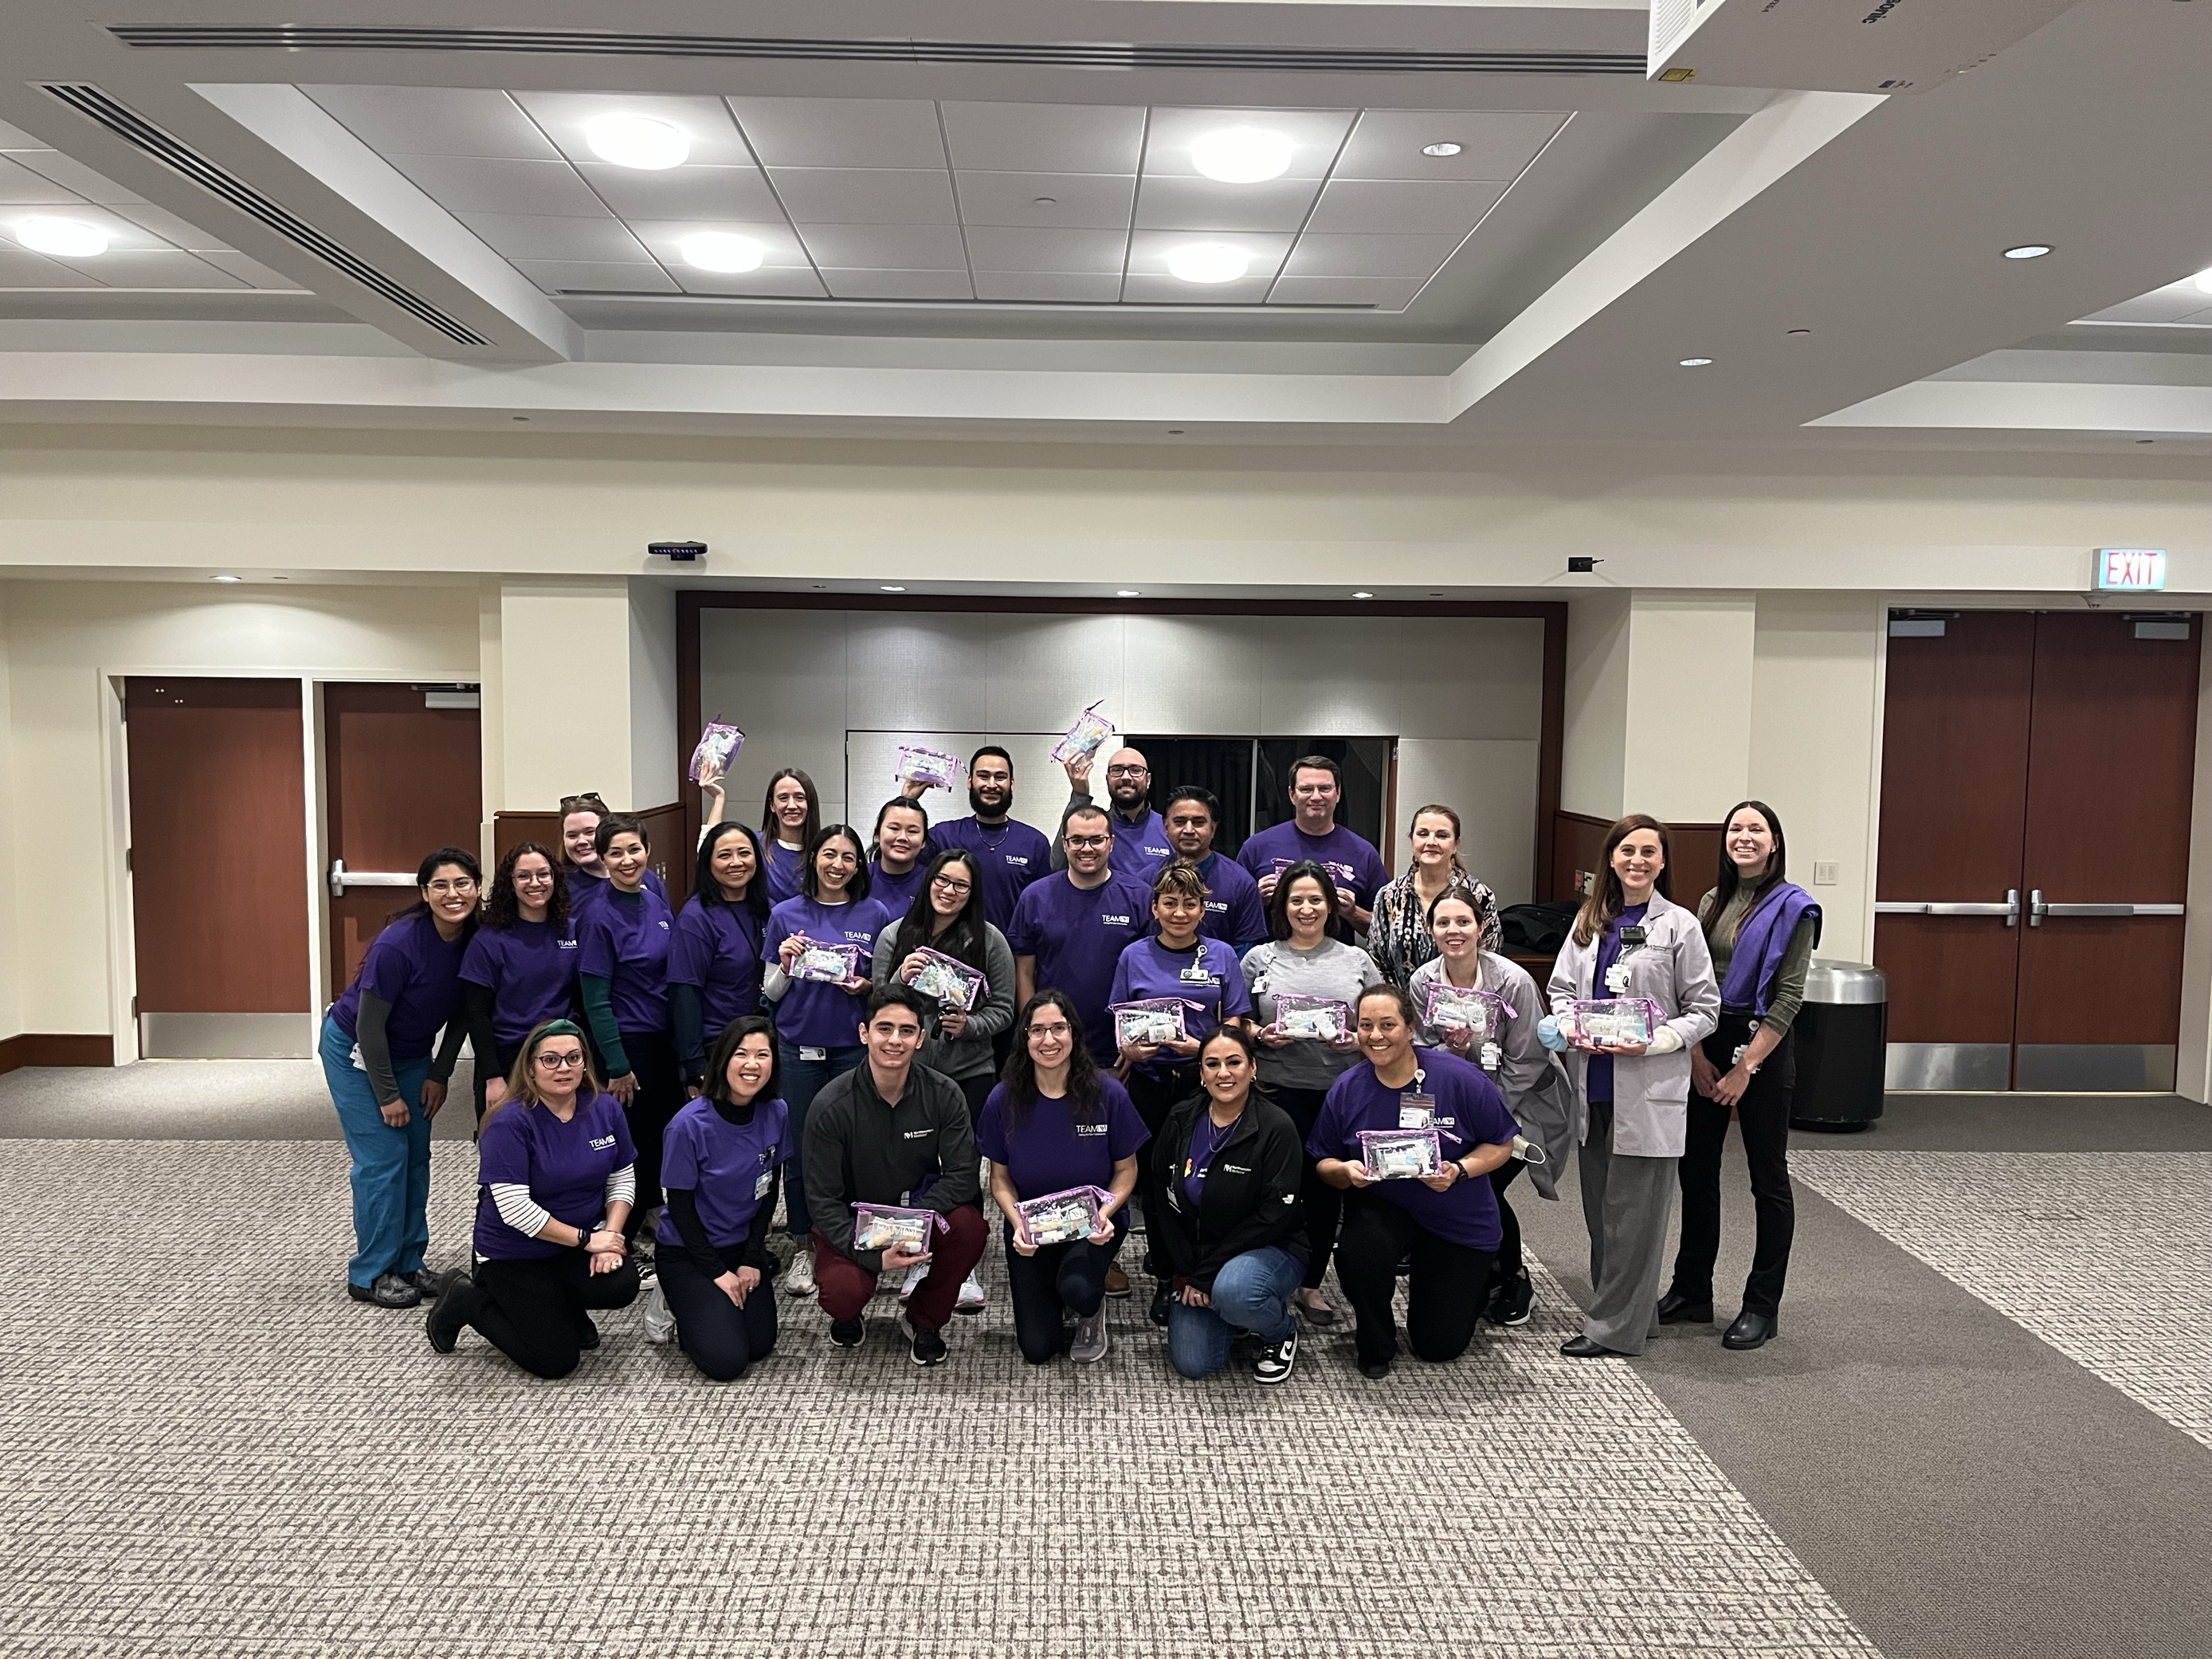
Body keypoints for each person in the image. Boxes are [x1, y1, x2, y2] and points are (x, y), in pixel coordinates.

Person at [1543, 814, 1720, 1359]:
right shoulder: (1590, 920)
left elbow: (1705, 1008)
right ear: (1611, 859)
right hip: (1592, 1087)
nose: (1637, 861)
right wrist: (1568, 1024)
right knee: (1603, 1214)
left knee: (1635, 1219)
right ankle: (1630, 1315)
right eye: (1627, 851)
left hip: (1647, 1086)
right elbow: (1560, 989)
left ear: (1663, 861)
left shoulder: (1680, 926)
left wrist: (1660, 1042)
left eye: (1649, 852)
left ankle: (1611, 1329)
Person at [1664, 799, 1821, 1351]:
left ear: (1774, 841)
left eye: (1757, 829)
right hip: (1711, 1035)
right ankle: (1692, 1291)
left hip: (1764, 1045)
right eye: (1736, 829)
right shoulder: (1712, 900)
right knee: (1697, 1169)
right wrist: (1698, 1054)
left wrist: (1746, 1067)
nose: (1745, 837)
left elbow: (1790, 995)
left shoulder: (1794, 907)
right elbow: (1696, 982)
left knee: (1767, 1179)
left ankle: (1761, 1305)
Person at [1311, 986, 1523, 1379]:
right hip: (1387, 1205)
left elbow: (1503, 1144)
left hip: (1456, 1214)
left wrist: (1458, 1171)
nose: (1376, 1036)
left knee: (1438, 1346)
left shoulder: (1460, 1079)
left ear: (1411, 1029)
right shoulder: (1347, 1088)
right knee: (1358, 1255)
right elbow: (1322, 1160)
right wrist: (1344, 1172)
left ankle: (1471, 1286)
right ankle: (1375, 1341)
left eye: (1388, 1025)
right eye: (1367, 1026)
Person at [423, 1020, 640, 1377]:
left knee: (622, 1284)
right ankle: (467, 1299)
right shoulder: (510, 1122)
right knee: (556, 1361)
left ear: (585, 1062)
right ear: (530, 1067)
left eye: (573, 1057)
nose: (564, 1068)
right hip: (513, 1254)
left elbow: (621, 1177)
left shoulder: (603, 1108)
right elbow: (514, 1211)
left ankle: (560, 1309)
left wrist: (610, 1240)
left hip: (572, 1246)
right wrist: (588, 1240)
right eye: (550, 1060)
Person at [320, 847, 478, 1308]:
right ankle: (370, 1272)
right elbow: (369, 1028)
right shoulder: (398, 943)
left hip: (412, 1054)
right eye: (441, 886)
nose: (454, 894)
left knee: (414, 1155)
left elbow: (468, 1013)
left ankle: (409, 1262)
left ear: (477, 887)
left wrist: (440, 1072)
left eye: (463, 884)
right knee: (384, 1156)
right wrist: (388, 1095)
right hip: (356, 1051)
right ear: (424, 893)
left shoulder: (476, 938)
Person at [1408, 888, 1574, 1327]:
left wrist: (1483, 1118)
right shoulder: (1424, 982)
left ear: (1481, 927)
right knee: (1463, 1184)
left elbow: (1528, 1060)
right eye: (1443, 923)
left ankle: (1514, 1276)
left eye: (1463, 922)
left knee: (1484, 1186)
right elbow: (1422, 1050)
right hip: (1454, 1108)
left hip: (1519, 1107)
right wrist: (1451, 1047)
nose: (1453, 931)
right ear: (1430, 930)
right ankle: (1485, 1272)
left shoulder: (1513, 981)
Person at [802, 986, 988, 1365]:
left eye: (906, 1031)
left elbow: (963, 1174)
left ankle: (923, 1319)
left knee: (970, 1228)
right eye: (884, 1028)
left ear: (921, 1038)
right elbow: (822, 1200)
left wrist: (912, 1224)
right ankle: (849, 1313)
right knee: (841, 1293)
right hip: (854, 1220)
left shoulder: (945, 1093)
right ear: (864, 1033)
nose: (894, 1040)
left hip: (919, 1210)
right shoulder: (829, 1105)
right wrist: (871, 1257)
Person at [1241, 860, 1380, 1327]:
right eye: (1296, 899)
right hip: (1276, 1093)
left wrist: (1358, 1039)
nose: (1306, 908)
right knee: (1274, 1190)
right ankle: (1267, 1277)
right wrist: (1261, 1034)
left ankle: (1311, 1285)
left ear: (1332, 906)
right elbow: (1236, 1020)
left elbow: (1384, 1024)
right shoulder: (1261, 958)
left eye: (1315, 899)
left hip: (1341, 1096)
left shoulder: (1356, 960)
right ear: (1282, 905)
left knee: (1326, 1193)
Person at [975, 990, 1147, 1366]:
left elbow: (1126, 1170)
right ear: (1024, 1038)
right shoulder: (1003, 1098)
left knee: (1078, 1289)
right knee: (1037, 1349)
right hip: (1030, 1229)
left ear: (1073, 1034)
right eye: (1037, 1030)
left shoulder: (1108, 1093)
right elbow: (999, 1178)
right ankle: (1056, 1287)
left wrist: (1107, 1210)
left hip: (1094, 1223)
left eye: (1058, 1028)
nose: (1048, 1040)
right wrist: (1017, 1222)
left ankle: (1090, 1309)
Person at [763, 822, 890, 1299]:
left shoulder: (874, 913)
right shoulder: (784, 913)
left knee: (856, 1147)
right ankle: (803, 1244)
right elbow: (770, 990)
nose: (838, 864)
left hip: (853, 1049)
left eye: (849, 857)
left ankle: (857, 1242)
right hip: (798, 1049)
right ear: (813, 858)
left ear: (859, 865)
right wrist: (785, 959)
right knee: (800, 1149)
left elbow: (884, 987)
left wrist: (867, 986)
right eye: (829, 854)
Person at [1153, 1026, 1308, 1384]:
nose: (1224, 1073)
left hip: (1270, 1247)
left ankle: (1279, 1331)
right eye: (1213, 1064)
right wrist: (1187, 1272)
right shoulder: (1181, 1118)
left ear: (1253, 1068)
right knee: (1195, 1363)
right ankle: (1234, 1310)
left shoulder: (1276, 1127)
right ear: (1202, 1073)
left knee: (1235, 1292)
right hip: (1200, 1256)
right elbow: (1161, 1197)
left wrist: (1206, 1277)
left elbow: (1274, 1217)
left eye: (1234, 1062)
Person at [645, 1016, 788, 1382]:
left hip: (740, 1246)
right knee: (727, 1361)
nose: (752, 1065)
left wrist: (752, 1258)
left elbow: (769, 1190)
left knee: (760, 1345)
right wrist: (718, 1273)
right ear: (723, 1060)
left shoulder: (777, 1112)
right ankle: (672, 1300)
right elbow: (679, 1208)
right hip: (690, 1252)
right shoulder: (688, 1126)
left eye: (762, 1055)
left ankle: (705, 1306)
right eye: (741, 1054)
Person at [575, 814, 682, 1241]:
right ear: (602, 858)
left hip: (662, 1040)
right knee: (630, 1143)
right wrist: (616, 1066)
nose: (626, 860)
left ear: (647, 851)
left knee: (661, 1134)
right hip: (625, 1045)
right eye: (615, 853)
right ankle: (621, 1232)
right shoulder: (597, 916)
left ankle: (653, 1216)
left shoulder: (654, 898)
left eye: (633, 850)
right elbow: (595, 1001)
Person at [870, 848, 1017, 1122]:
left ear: (972, 893)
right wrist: (900, 978)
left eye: (961, 885)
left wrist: (968, 1026)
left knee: (964, 1159)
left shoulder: (991, 941)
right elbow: (878, 1004)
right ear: (929, 881)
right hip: (905, 1069)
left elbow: (1004, 1009)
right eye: (942, 880)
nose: (949, 891)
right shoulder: (893, 935)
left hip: (971, 1072)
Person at [1010, 805, 1154, 1072]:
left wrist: (1135, 1041)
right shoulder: (1035, 897)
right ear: (1064, 844)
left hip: (1117, 1051)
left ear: (1111, 843)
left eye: (1096, 840)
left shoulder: (1139, 897)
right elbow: (1024, 972)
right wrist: (1033, 1033)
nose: (1086, 848)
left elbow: (1149, 978)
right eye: (1076, 840)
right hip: (1052, 1049)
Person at [459, 841, 580, 1124]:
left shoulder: (573, 931)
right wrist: (493, 1077)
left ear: (555, 879)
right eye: (523, 876)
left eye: (543, 874)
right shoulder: (489, 940)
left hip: (561, 1057)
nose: (534, 883)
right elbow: (477, 1015)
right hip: (508, 1059)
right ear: (510, 883)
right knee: (506, 1150)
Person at [1236, 755, 1390, 937]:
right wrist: (1256, 901)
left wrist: (1352, 912)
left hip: (1336, 962)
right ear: (1292, 794)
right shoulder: (1257, 847)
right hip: (1271, 960)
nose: (1316, 797)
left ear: (1338, 793)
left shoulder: (1363, 853)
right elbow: (1231, 919)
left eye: (1325, 788)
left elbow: (1385, 932)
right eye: (1306, 789)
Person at [669, 821, 771, 1092]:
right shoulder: (696, 917)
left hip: (759, 1040)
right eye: (725, 855)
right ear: (708, 863)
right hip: (717, 1046)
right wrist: (694, 1066)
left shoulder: (764, 908)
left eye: (744, 853)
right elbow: (684, 992)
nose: (736, 862)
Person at [912, 746, 1052, 934]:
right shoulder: (943, 836)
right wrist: (908, 799)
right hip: (949, 955)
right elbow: (898, 860)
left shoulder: (1035, 843)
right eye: (983, 776)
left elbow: (1042, 909)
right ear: (970, 782)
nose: (992, 784)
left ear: (1012, 783)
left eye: (1000, 777)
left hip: (1011, 956)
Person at [1367, 804, 1501, 988]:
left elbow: (1490, 960)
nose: (1431, 842)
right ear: (1412, 840)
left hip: (1463, 1007)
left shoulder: (1478, 895)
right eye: (1423, 834)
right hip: (1402, 1010)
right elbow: (1378, 963)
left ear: (1455, 845)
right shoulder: (1389, 896)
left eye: (1442, 835)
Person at [1162, 785, 1268, 952]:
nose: (1189, 830)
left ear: (1213, 828)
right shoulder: (1146, 881)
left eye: (1198, 822)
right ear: (1166, 827)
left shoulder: (1241, 884)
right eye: (1180, 822)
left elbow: (1246, 952)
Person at [1057, 745, 1172, 881]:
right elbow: (1058, 866)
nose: (1126, 777)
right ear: (1107, 780)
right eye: (1117, 770)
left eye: (1135, 770)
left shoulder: (1168, 828)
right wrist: (1080, 795)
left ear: (1148, 780)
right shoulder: (1096, 830)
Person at [559, 791, 667, 913]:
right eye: (572, 835)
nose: (581, 841)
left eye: (590, 832)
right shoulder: (561, 888)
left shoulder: (646, 877)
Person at [759, 767, 821, 905]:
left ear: (810, 803)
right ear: (772, 805)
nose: (791, 805)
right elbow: (713, 851)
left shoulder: (824, 851)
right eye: (783, 798)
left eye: (800, 797)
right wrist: (719, 799)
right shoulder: (755, 845)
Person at [866, 796, 934, 920]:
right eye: (894, 828)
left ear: (924, 841)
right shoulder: (858, 878)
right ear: (877, 835)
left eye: (912, 831)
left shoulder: (933, 884)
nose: (903, 837)